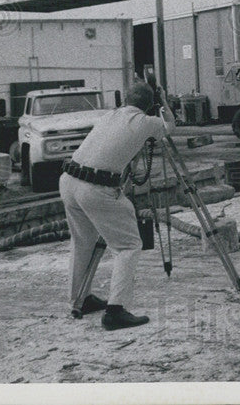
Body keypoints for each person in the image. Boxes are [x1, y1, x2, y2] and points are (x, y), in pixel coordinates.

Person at [59, 81, 175, 331]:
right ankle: (116, 310)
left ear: (125, 100)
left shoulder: (109, 115)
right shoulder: (146, 122)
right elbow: (170, 126)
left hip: (69, 181)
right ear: (149, 105)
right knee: (128, 245)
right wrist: (164, 102)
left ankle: (81, 298)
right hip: (96, 189)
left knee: (82, 242)